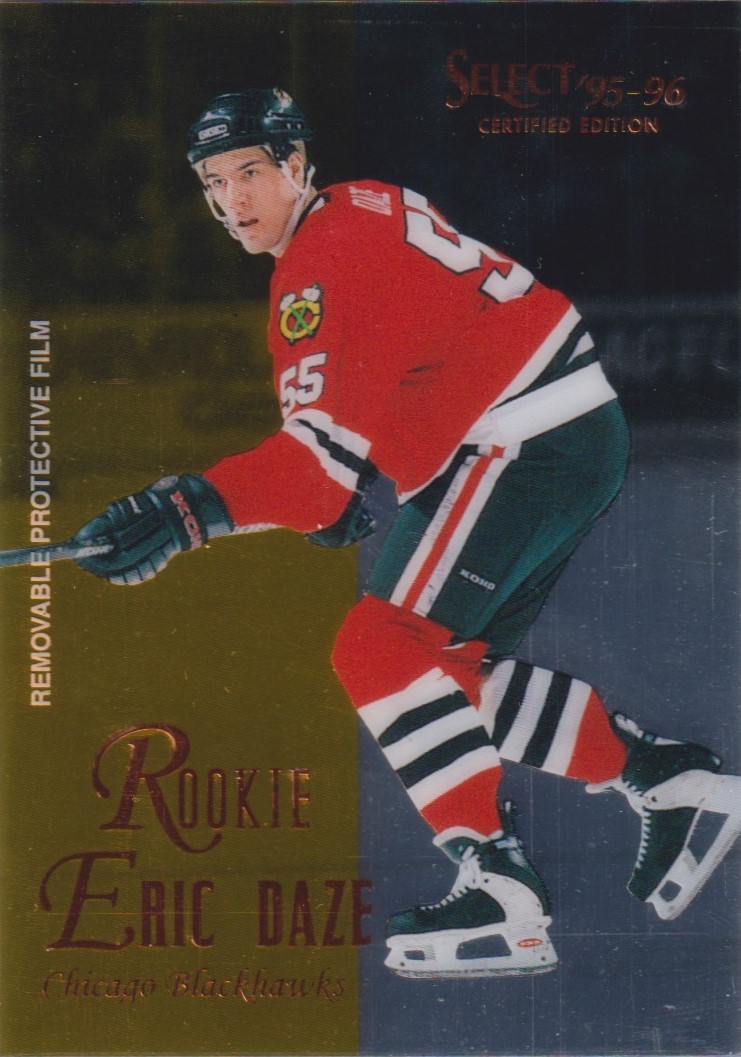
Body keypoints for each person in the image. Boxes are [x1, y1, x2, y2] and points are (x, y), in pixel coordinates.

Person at [73, 88, 741, 978]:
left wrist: (183, 509)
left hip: (520, 443)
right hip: (557, 430)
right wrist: (338, 478)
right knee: (438, 675)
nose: (232, 199)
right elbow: (405, 361)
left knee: (378, 648)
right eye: (213, 182)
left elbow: (312, 477)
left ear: (296, 165)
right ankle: (665, 777)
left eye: (250, 172)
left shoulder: (315, 266)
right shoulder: (362, 205)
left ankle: (500, 887)